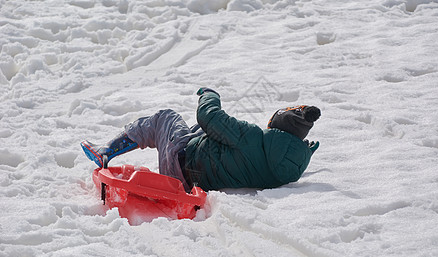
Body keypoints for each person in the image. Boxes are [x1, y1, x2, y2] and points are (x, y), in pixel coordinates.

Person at [81, 88, 321, 192]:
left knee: (165, 118)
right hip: (199, 179)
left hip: (179, 163)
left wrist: (210, 95)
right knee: (202, 132)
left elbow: (209, 116)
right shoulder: (294, 165)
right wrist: (306, 150)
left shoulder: (253, 137)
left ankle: (106, 151)